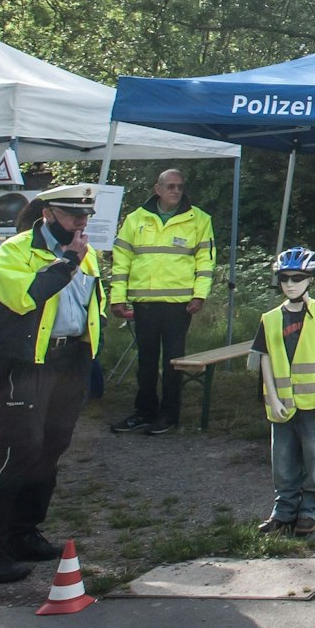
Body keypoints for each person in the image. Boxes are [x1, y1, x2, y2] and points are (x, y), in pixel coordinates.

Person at [0, 184, 108, 584]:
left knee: (48, 452)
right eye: (71, 214)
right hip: (28, 366)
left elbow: (87, 307)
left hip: (70, 362)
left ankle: (24, 532)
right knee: (14, 454)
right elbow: (27, 297)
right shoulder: (14, 251)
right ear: (47, 214)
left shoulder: (87, 253)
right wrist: (65, 263)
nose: (81, 223)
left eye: (85, 216)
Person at [107, 168, 217, 436]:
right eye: (170, 186)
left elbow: (206, 262)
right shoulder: (136, 219)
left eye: (180, 186)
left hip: (179, 305)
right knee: (145, 362)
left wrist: (199, 295)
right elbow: (121, 261)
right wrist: (117, 297)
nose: (176, 191)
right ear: (158, 189)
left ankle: (169, 414)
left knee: (173, 362)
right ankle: (144, 411)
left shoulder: (199, 220)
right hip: (144, 304)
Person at [253, 247, 315, 536]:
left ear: (310, 279)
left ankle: (309, 510)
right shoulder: (269, 319)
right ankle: (284, 510)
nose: (290, 283)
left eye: (297, 278)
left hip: (314, 402)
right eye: (284, 278)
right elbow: (264, 358)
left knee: (314, 455)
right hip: (281, 405)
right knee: (282, 459)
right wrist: (273, 397)